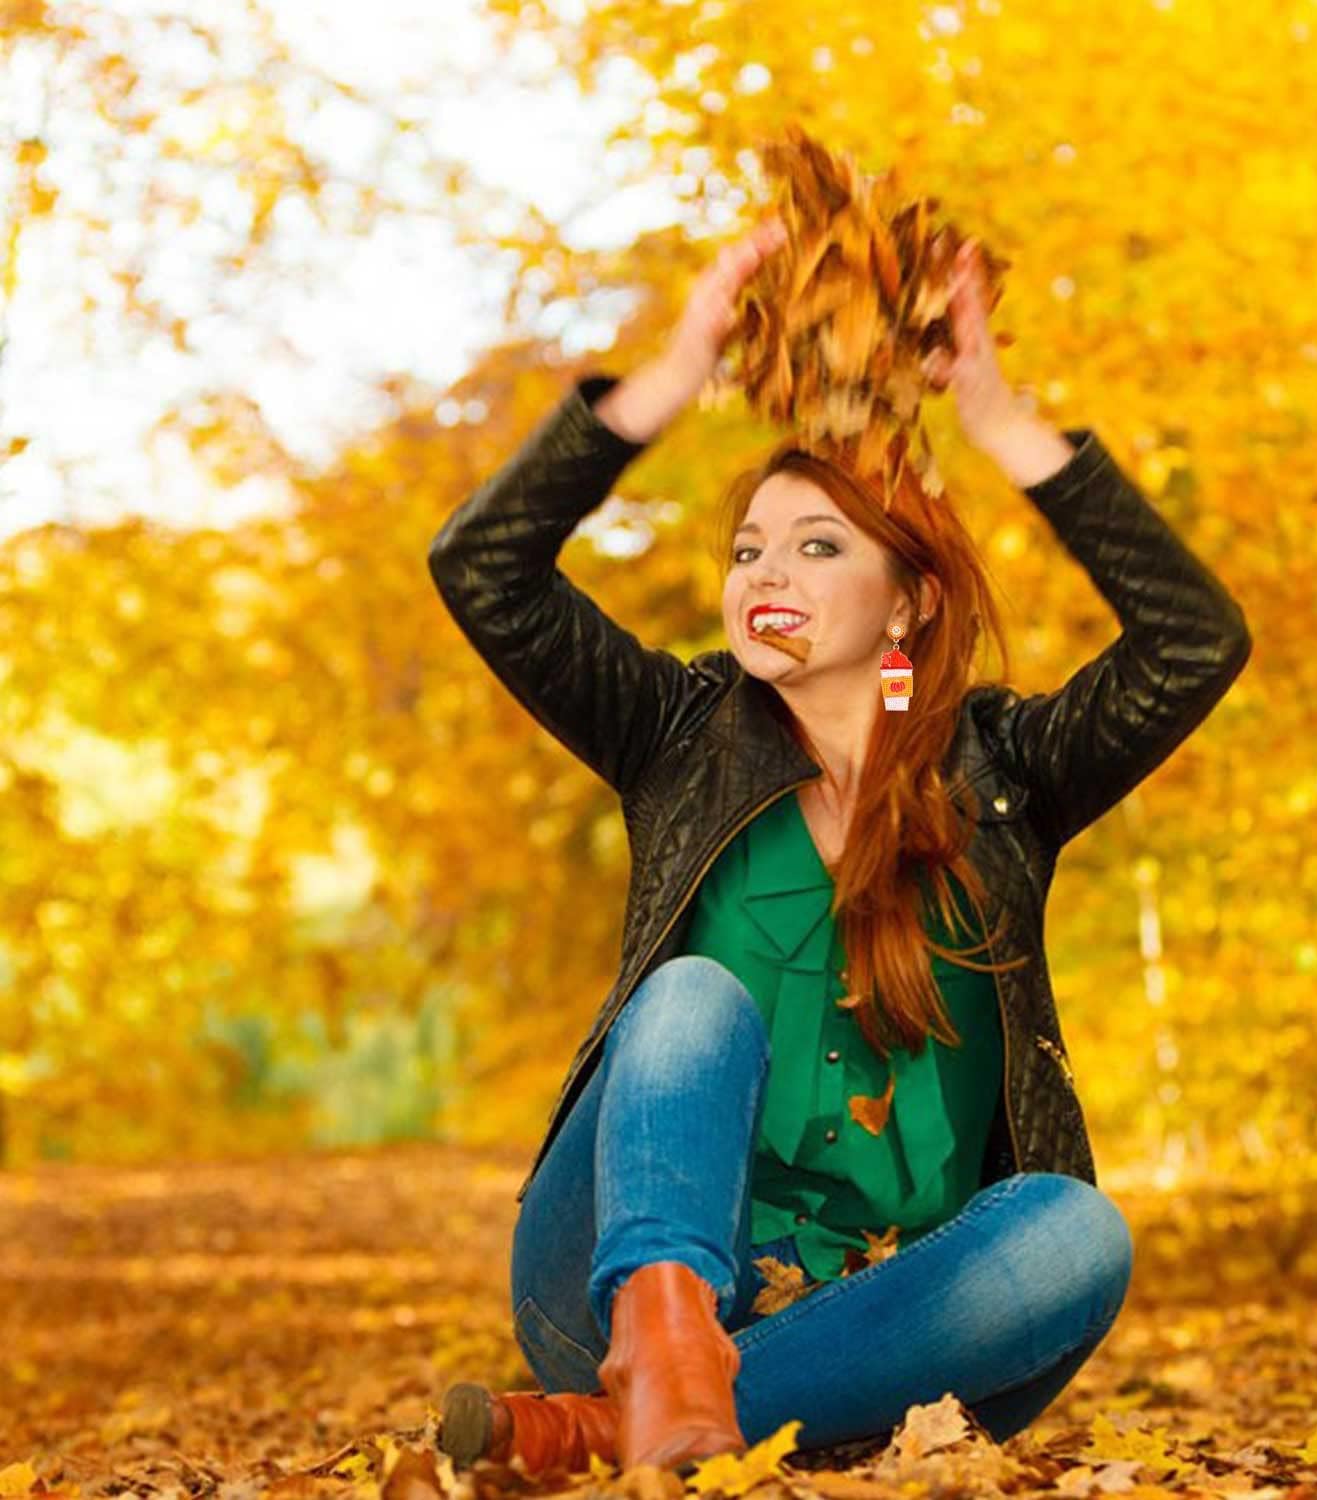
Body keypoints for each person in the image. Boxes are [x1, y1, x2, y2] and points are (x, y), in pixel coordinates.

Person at [426, 214, 1252, 1479]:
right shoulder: (675, 733)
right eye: (749, 549)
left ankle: (610, 1433)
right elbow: (483, 567)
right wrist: (673, 374)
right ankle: (653, 1367)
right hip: (610, 1281)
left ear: (909, 599)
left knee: (1079, 1231)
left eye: (820, 547)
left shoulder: (1008, 777)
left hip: (881, 1326)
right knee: (690, 999)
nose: (769, 572)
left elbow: (1195, 641)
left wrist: (995, 416)